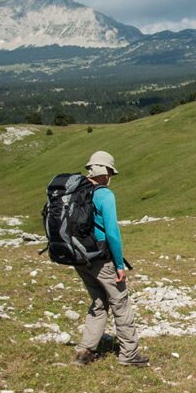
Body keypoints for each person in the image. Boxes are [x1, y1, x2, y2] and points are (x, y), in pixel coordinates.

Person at [72, 151, 150, 368]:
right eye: (110, 173)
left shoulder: (76, 190)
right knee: (120, 303)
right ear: (105, 171)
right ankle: (129, 354)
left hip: (79, 257)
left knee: (98, 302)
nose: (110, 177)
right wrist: (119, 265)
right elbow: (112, 233)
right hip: (101, 257)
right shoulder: (105, 195)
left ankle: (85, 352)